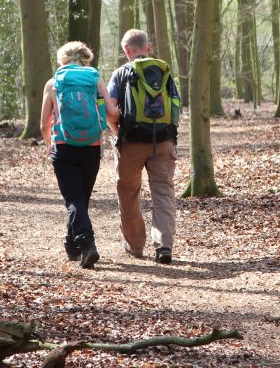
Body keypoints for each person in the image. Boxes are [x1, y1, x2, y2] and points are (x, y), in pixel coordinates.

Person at [42, 42, 118, 269]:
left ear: (62, 60)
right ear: (87, 58)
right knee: (80, 198)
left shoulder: (53, 82)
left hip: (64, 146)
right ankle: (72, 244)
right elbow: (111, 112)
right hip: (92, 146)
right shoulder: (94, 78)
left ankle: (86, 244)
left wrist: (50, 144)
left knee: (75, 200)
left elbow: (44, 123)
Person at [107, 29, 180, 264]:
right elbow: (176, 108)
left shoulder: (120, 73)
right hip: (163, 141)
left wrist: (118, 132)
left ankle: (135, 246)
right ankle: (164, 245)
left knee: (128, 194)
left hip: (132, 143)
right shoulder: (164, 70)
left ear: (126, 51)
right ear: (148, 47)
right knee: (163, 193)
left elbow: (111, 111)